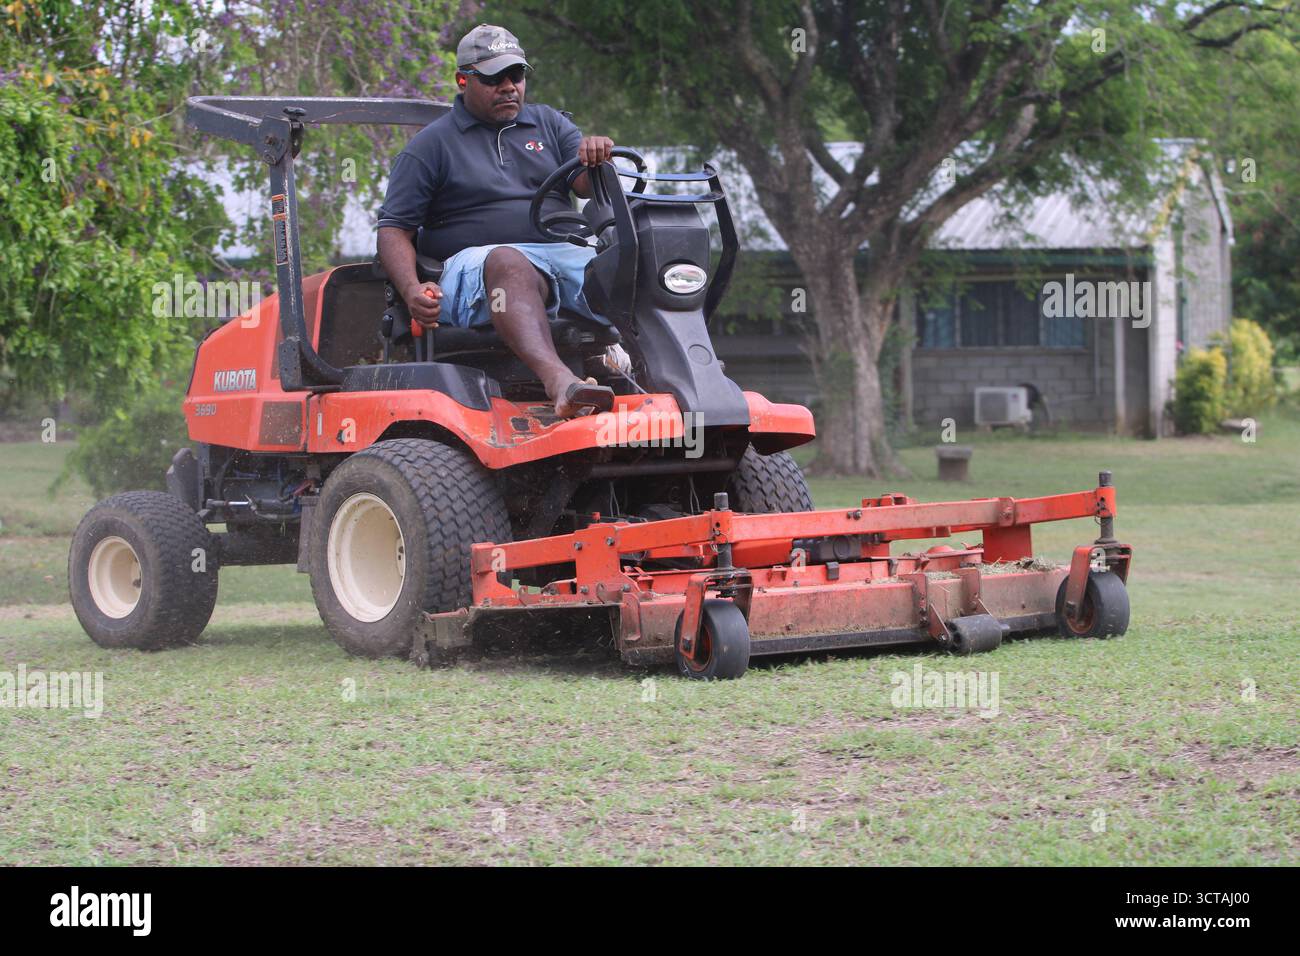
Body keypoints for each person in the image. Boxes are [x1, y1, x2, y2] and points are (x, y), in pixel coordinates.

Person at [376, 23, 617, 417]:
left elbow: (587, 184)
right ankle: (560, 383)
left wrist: (596, 154)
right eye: (493, 78)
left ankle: (671, 382)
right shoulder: (430, 146)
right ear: (462, 80)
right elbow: (393, 230)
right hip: (478, 271)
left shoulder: (549, 124)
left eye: (516, 75)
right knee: (508, 260)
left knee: (636, 254)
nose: (508, 86)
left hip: (561, 252)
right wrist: (411, 289)